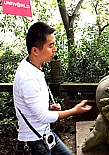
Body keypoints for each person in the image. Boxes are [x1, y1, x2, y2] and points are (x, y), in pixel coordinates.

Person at [13, 22, 92, 155]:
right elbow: (43, 117)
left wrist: (48, 107)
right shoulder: (27, 77)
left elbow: (33, 106)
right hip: (34, 143)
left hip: (45, 135)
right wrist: (74, 111)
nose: (54, 49)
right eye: (50, 46)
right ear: (35, 50)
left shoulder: (33, 66)